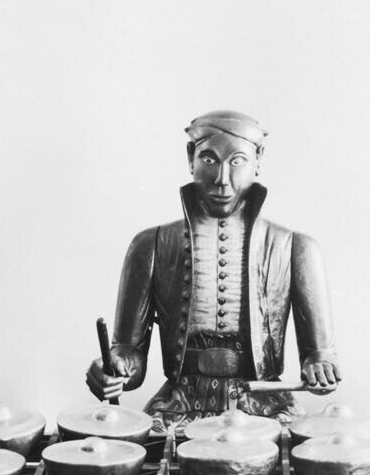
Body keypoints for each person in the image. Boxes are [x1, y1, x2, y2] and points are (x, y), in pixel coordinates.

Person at [86, 111, 339, 419]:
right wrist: (114, 368)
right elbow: (129, 354)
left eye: (237, 161)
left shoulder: (295, 248)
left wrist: (320, 367)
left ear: (258, 159)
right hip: (179, 407)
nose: (221, 179)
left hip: (264, 409)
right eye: (209, 160)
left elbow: (320, 355)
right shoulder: (150, 245)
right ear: (190, 157)